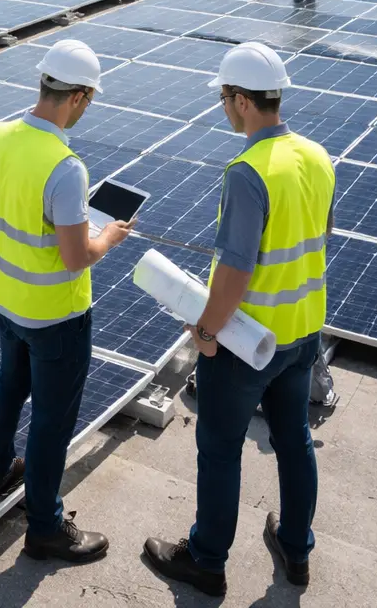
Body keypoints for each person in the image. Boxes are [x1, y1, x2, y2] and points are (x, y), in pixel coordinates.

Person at [142, 43, 334, 598]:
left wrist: (205, 333)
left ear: (243, 100)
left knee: (220, 449)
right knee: (294, 440)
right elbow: (320, 237)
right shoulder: (317, 156)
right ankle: (296, 548)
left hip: (247, 343)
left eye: (224, 99)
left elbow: (234, 272)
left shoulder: (247, 172)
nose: (223, 108)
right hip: (303, 332)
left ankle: (206, 561)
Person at [0, 39, 135, 564]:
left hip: (3, 298)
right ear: (80, 96)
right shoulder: (66, 167)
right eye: (90, 100)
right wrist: (108, 237)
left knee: (9, 384)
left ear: (44, 83)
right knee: (51, 420)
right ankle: (44, 527)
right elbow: (75, 256)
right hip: (54, 316)